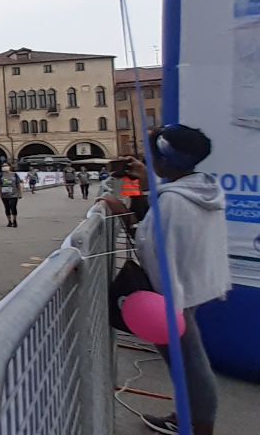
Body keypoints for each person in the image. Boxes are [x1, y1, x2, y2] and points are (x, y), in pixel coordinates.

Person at [116, 126, 228, 435]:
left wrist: (125, 215)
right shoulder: (202, 188)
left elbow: (151, 248)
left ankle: (199, 426)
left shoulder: (173, 203)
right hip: (194, 286)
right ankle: (188, 417)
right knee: (188, 361)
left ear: (164, 162)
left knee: (190, 364)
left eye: (151, 157)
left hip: (173, 298)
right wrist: (143, 185)